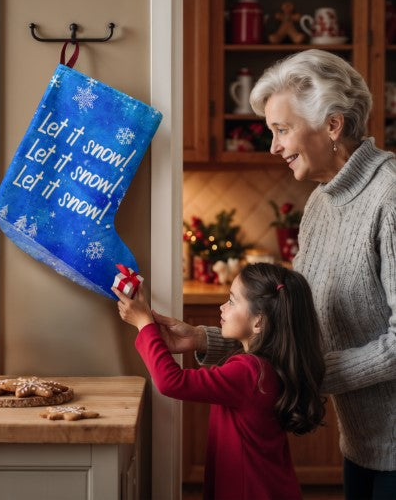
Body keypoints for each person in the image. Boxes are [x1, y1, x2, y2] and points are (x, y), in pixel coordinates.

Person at [158, 49, 396, 499]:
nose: (274, 147)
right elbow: (292, 327)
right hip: (362, 442)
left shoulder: (391, 197)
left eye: (282, 130)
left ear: (332, 125)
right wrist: (205, 340)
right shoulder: (321, 205)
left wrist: (301, 376)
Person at [114, 263, 326, 500]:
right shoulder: (267, 363)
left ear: (259, 322)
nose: (222, 307)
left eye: (232, 301)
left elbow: (170, 382)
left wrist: (144, 325)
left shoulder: (249, 371)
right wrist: (191, 336)